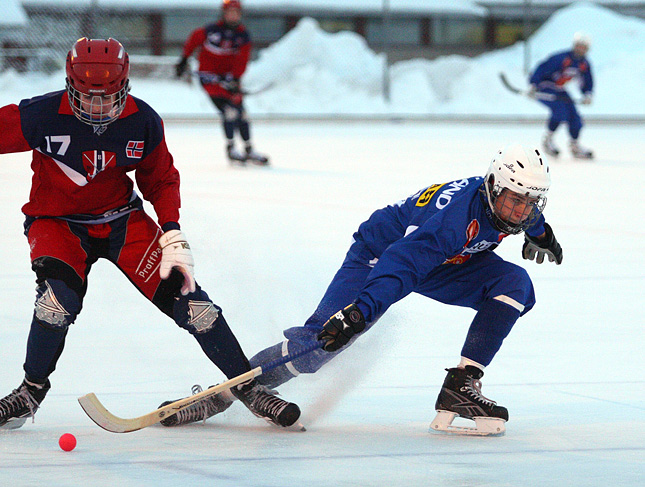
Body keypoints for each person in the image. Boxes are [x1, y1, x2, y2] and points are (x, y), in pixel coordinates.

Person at [159, 144, 563, 436]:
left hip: (443, 263)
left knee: (515, 284)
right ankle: (233, 388)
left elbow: (530, 216)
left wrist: (542, 234)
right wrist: (358, 314)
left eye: (529, 205)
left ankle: (462, 384)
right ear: (494, 188)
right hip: (383, 254)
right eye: (515, 202)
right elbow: (400, 266)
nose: (520, 212)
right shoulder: (453, 221)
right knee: (323, 344)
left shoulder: (509, 202)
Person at [0, 37, 298, 430]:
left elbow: (160, 179)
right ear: (69, 86)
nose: (98, 108)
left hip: (123, 221)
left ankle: (247, 385)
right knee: (55, 304)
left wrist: (171, 230)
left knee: (196, 307)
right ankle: (30, 392)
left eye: (108, 98)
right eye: (87, 98)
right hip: (58, 222)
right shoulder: (38, 114)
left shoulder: (143, 120)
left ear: (125, 87)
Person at [175, 0, 269, 166]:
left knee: (243, 113)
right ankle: (231, 148)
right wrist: (183, 60)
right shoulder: (211, 31)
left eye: (236, 13)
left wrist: (235, 79)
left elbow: (242, 59)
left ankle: (248, 149)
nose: (233, 16)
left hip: (229, 79)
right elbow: (193, 40)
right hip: (210, 80)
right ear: (224, 14)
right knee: (229, 112)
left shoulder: (242, 35)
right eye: (230, 12)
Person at [528, 32, 594, 160]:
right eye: (579, 46)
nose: (581, 49)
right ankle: (548, 140)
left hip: (558, 89)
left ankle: (575, 145)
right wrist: (534, 84)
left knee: (574, 116)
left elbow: (587, 80)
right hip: (545, 86)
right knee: (560, 111)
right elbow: (542, 68)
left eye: (584, 47)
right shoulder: (561, 58)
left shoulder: (584, 63)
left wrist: (587, 93)